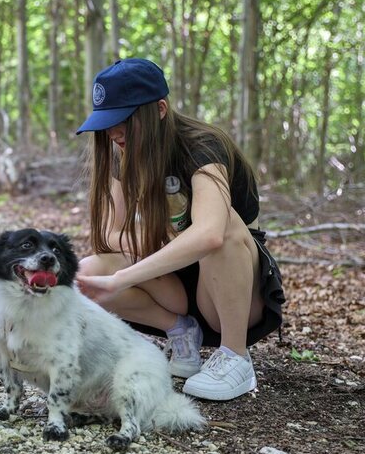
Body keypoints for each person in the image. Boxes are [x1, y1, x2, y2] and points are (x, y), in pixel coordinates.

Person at [74, 58, 285, 401]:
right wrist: (157, 243)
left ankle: (235, 357)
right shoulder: (119, 155)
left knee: (223, 223)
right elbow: (110, 234)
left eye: (124, 120)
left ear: (159, 109)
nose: (114, 133)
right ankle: (180, 331)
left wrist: (122, 279)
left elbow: (211, 235)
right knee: (87, 272)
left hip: (235, 293)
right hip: (176, 284)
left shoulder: (202, 145)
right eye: (108, 123)